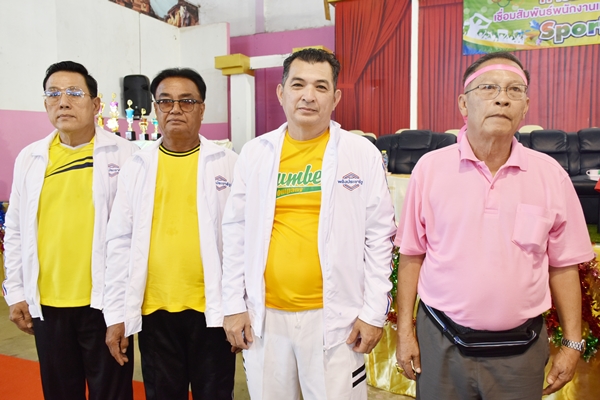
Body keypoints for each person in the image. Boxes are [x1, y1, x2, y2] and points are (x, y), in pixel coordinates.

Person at [395, 51, 595, 399]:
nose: (502, 98)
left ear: (525, 107)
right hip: (440, 343)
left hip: (520, 352)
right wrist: (404, 333)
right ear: (463, 103)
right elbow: (412, 255)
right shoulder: (430, 169)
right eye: (488, 88)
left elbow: (563, 266)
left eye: (515, 90)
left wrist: (572, 342)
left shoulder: (550, 175)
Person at [221, 48, 396, 400]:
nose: (308, 95)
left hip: (336, 319)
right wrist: (233, 305)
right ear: (281, 92)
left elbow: (379, 237)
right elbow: (235, 231)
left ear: (336, 98)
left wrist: (374, 313)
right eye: (298, 84)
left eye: (321, 86)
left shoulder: (360, 153)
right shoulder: (255, 153)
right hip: (265, 317)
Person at [2, 61, 138, 400]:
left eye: (74, 93)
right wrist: (15, 291)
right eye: (53, 94)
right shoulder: (30, 158)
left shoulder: (127, 156)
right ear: (45, 103)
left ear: (96, 104)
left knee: (113, 394)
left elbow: (136, 234)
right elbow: (15, 228)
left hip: (105, 304)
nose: (63, 102)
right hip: (48, 305)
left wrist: (127, 305)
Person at [103, 67, 237, 400]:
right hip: (155, 312)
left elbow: (242, 242)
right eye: (165, 101)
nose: (175, 109)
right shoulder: (137, 166)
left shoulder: (230, 164)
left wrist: (240, 306)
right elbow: (119, 241)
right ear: (155, 109)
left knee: (216, 394)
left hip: (213, 311)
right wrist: (116, 314)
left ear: (202, 109)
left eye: (186, 101)